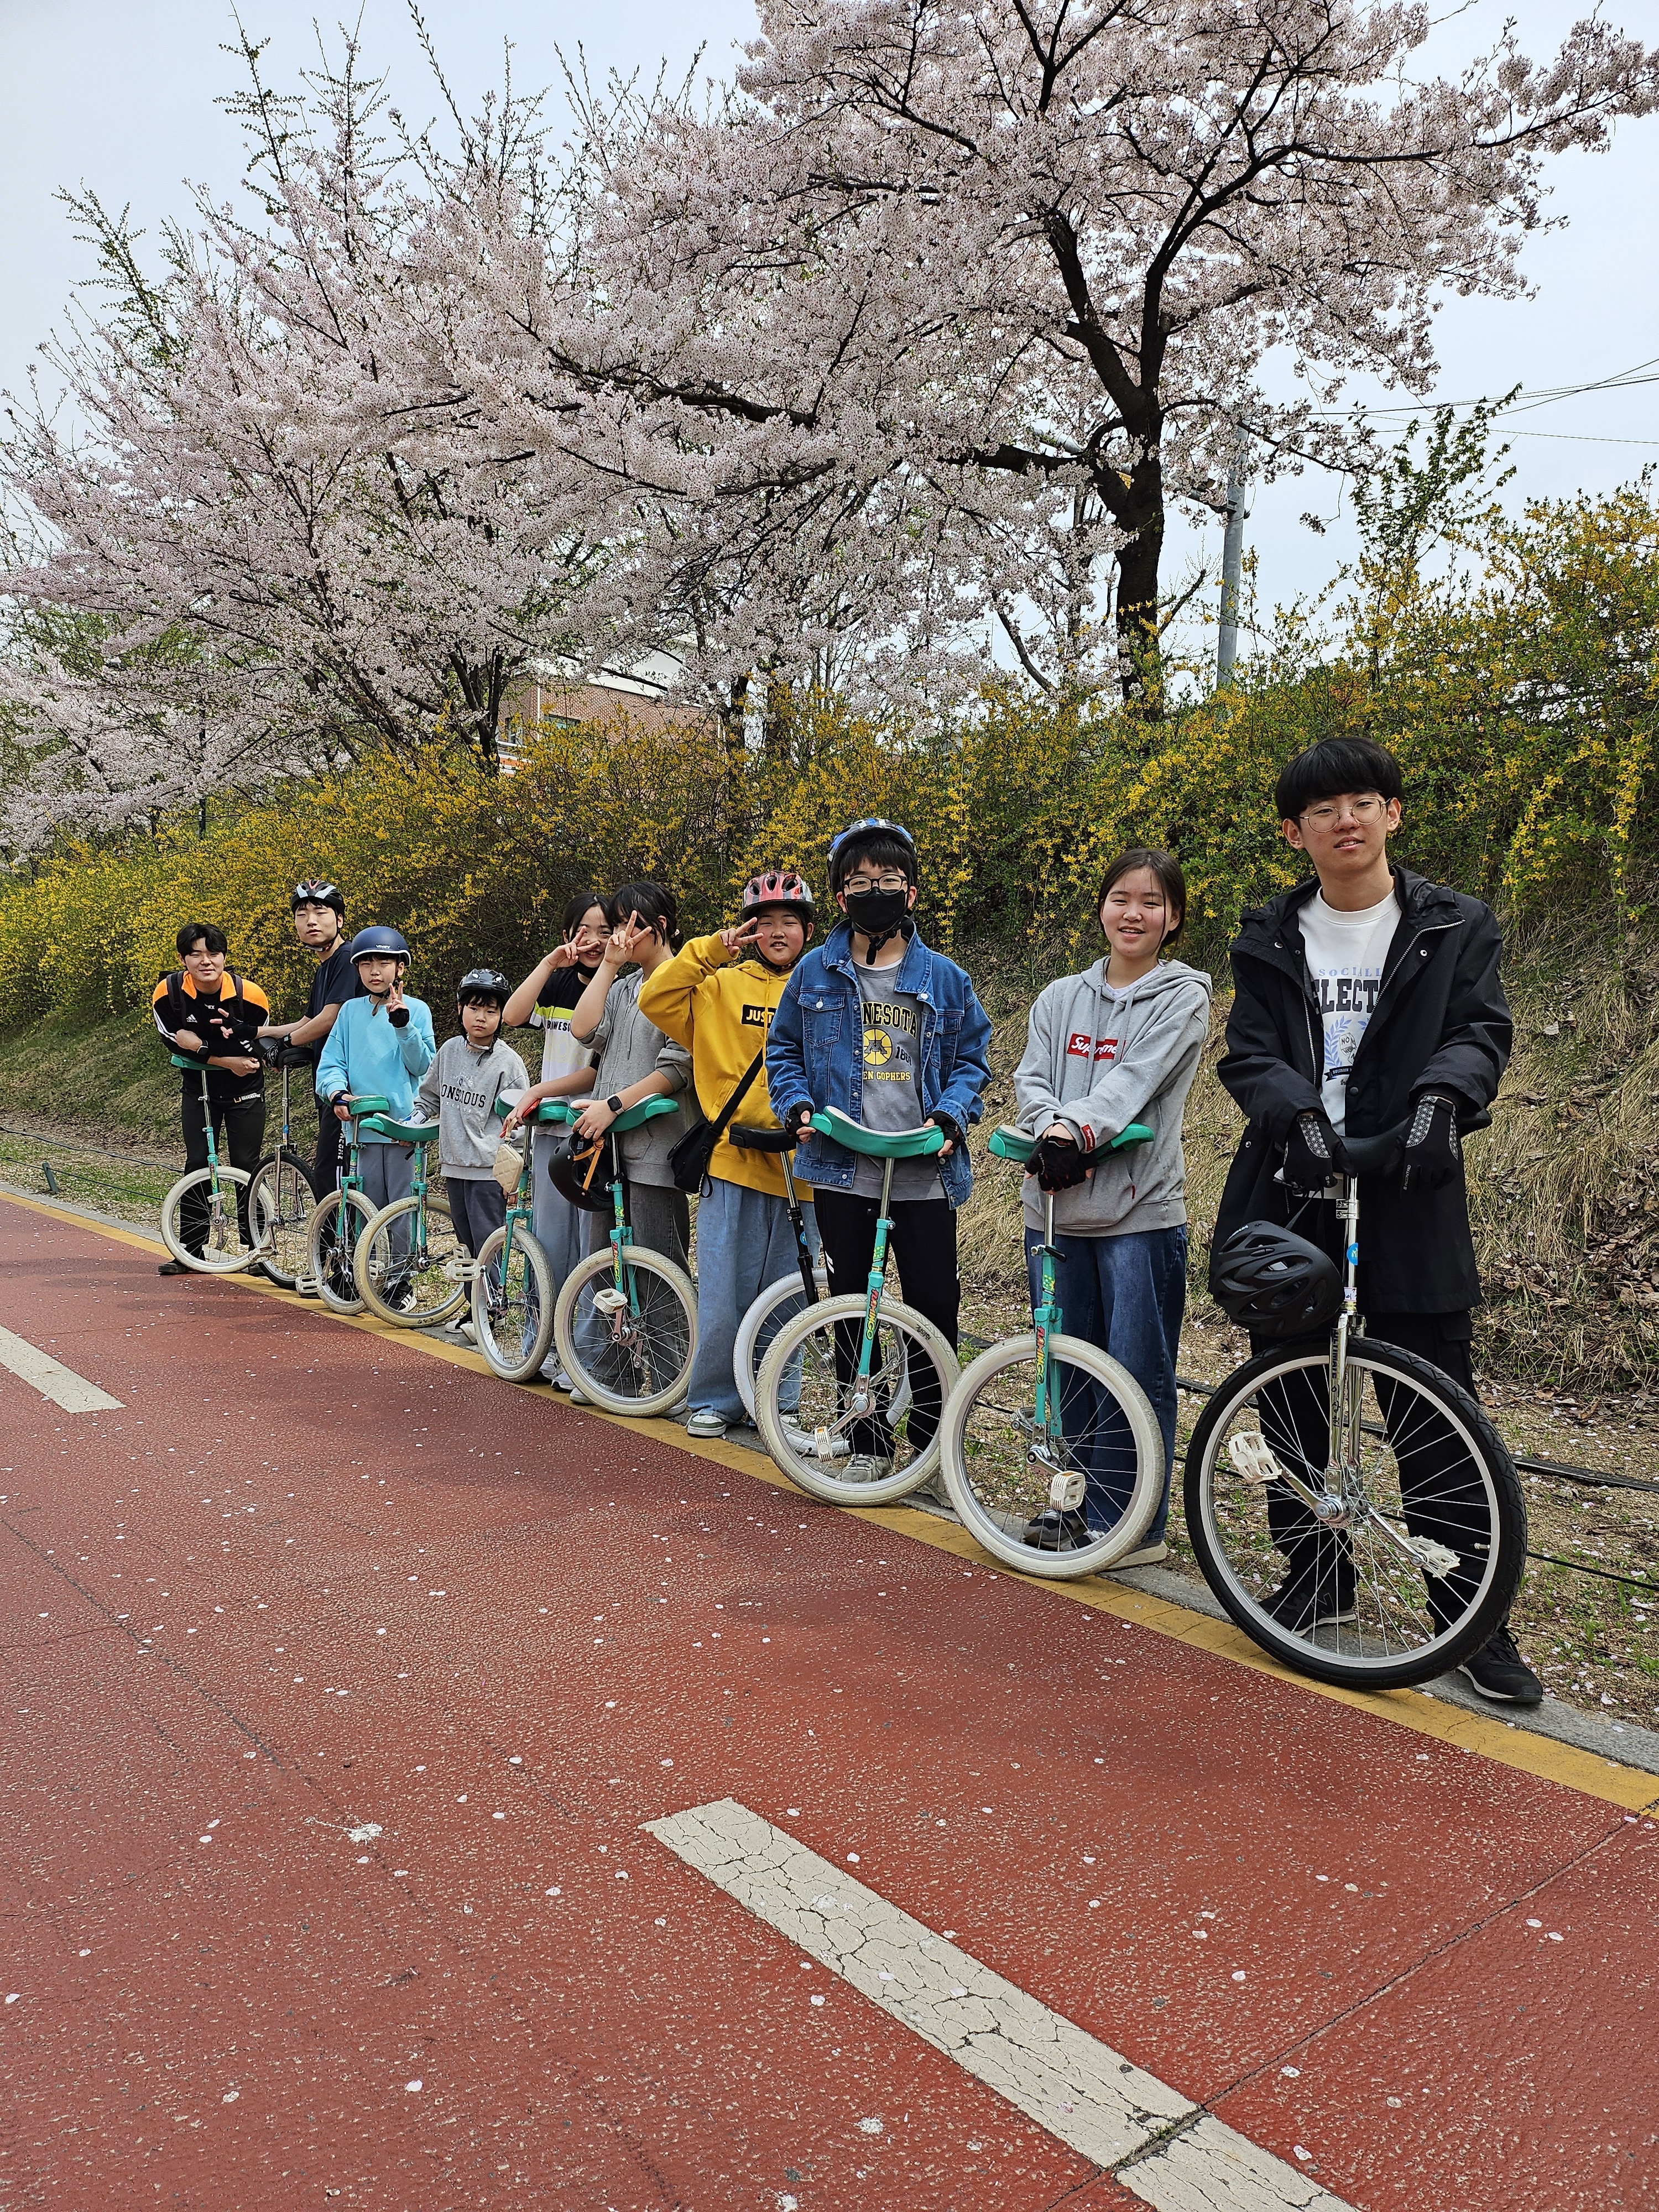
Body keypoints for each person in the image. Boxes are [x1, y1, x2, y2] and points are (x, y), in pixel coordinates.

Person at [1212, 734, 1541, 1705]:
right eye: (1322, 810)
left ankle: (1469, 1613)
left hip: (1412, 1187)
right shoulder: (1268, 934)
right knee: (1291, 1394)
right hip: (1292, 1185)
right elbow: (1250, 1051)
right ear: (1294, 832)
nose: (1344, 820)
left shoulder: (1453, 924)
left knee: (1435, 1411)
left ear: (1393, 813)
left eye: (1363, 801)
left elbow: (1481, 1029)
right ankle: (1316, 1575)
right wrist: (1296, 1117)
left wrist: (1444, 1103)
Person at [768, 819, 992, 1477]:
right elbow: (782, 1051)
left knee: (933, 1305)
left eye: (889, 883)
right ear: (840, 898)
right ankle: (865, 1438)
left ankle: (931, 1441)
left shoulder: (946, 979)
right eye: (860, 884)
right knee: (851, 1308)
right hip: (843, 1166)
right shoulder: (813, 972)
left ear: (913, 893)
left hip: (924, 1167)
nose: (875, 893)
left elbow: (973, 1060)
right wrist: (798, 1105)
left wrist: (952, 1117)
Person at [1013, 847, 1213, 1561]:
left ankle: (1131, 1525)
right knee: (1064, 1363)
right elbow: (1030, 1079)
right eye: (1122, 897)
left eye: (1153, 902)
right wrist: (1050, 1129)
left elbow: (1136, 1079)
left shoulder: (1184, 996)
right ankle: (1070, 1504)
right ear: (1101, 907)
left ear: (1174, 918)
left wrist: (1077, 1131)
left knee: (1135, 1368)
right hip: (1055, 1211)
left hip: (1140, 1214)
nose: (1135, 912)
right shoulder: (1059, 997)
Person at [639, 869, 817, 1441]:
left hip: (802, 1165)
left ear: (808, 930)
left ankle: (777, 1401)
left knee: (790, 1292)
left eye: (790, 922)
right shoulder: (719, 987)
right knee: (723, 1291)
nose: (778, 932)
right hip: (731, 1159)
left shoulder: (824, 989)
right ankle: (715, 1397)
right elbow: (656, 996)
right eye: (765, 923)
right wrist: (713, 949)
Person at [504, 883, 691, 1398]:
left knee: (659, 1266)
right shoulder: (627, 986)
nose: (625, 933)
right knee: (602, 1263)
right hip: (604, 1153)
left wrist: (614, 1105)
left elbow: (678, 1069)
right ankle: (610, 1374)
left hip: (655, 1148)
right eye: (620, 922)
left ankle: (672, 1381)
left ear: (665, 925)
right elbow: (586, 1032)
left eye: (637, 922)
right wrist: (608, 966)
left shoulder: (685, 982)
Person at [501, 892, 610, 1375]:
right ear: (569, 934)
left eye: (605, 931)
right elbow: (512, 1015)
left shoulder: (620, 989)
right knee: (548, 1244)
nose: (594, 941)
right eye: (583, 930)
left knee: (591, 1246)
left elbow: (596, 1073)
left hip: (593, 1133)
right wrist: (549, 962)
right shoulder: (560, 983)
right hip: (549, 1132)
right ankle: (538, 1345)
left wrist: (540, 1088)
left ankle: (581, 1356)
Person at [151, 922, 272, 1276]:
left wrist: (201, 1047)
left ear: (224, 957)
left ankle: (256, 1251)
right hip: (198, 1088)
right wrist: (221, 1057)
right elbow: (172, 1040)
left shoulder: (249, 995)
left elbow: (252, 1048)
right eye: (196, 954)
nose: (206, 961)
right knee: (198, 1164)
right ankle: (189, 1249)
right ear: (183, 959)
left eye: (213, 954)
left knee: (247, 1166)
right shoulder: (168, 992)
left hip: (245, 1090)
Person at [416, 969, 530, 1337]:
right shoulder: (449, 1051)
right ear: (460, 1009)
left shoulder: (508, 1062)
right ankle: (474, 1308)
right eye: (474, 1008)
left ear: (502, 1017)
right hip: (454, 1166)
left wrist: (510, 1173)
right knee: (466, 1244)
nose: (481, 1018)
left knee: (488, 1244)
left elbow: (520, 1121)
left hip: (487, 1170)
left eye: (491, 1011)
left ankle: (492, 1311)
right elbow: (429, 1096)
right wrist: (415, 1118)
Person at [315, 926, 437, 1229]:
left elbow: (424, 1067)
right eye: (366, 964)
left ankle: (400, 1274)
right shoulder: (349, 1012)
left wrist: (403, 1026)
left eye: (383, 963)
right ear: (357, 968)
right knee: (361, 1208)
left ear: (400, 967)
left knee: (401, 1209)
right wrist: (337, 1094)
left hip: (402, 1128)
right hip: (360, 1128)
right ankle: (364, 1270)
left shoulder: (418, 1010)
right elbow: (330, 1064)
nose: (375, 972)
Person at [257, 880, 364, 1201]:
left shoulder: (348, 958)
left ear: (340, 919)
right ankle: (340, 1245)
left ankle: (335, 1246)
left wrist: (285, 1043)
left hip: (349, 1084)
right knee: (334, 1172)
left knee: (331, 1173)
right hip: (331, 1084)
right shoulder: (324, 969)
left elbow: (330, 1018)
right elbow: (309, 1021)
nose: (311, 921)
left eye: (321, 912)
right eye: (303, 915)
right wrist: (261, 1034)